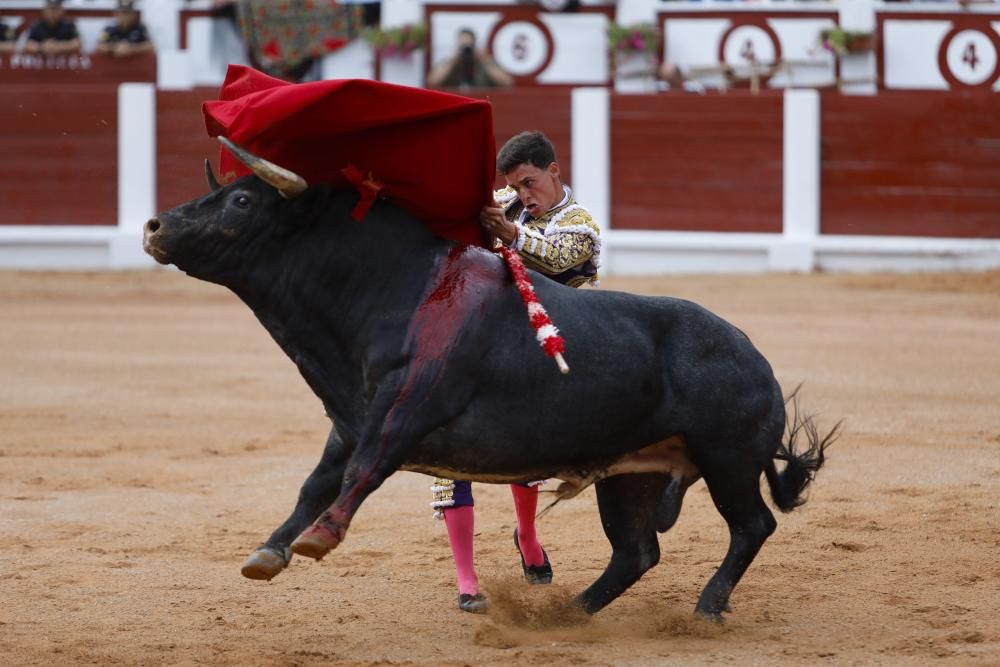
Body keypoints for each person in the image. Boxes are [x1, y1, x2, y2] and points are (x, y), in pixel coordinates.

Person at [432, 131, 601, 613]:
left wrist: (506, 232)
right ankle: (466, 579)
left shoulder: (580, 224)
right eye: (514, 185)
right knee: (447, 447)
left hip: (555, 354)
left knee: (530, 451)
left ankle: (527, 534)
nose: (523, 195)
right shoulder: (508, 201)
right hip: (490, 342)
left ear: (554, 171)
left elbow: (554, 257)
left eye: (530, 182)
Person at [426, 28, 513, 90]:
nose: (466, 49)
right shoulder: (450, 62)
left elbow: (507, 82)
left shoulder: (484, 61)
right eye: (462, 45)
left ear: (475, 45)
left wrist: (484, 59)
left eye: (469, 45)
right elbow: (432, 82)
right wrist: (451, 60)